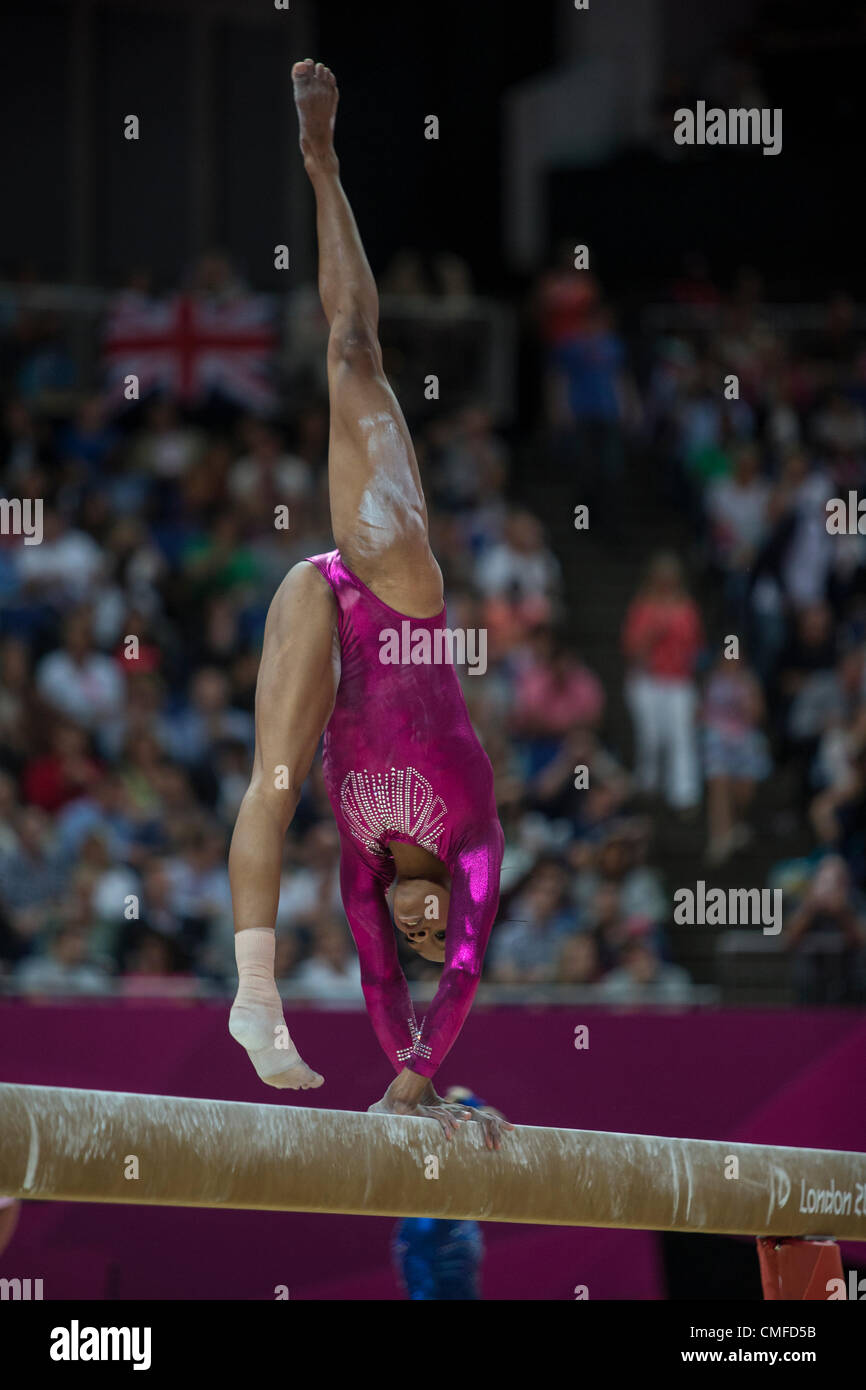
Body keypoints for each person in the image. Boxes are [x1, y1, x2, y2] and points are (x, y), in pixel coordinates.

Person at [227, 61, 511, 1149]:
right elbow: (469, 967)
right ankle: (321, 161)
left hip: (325, 607)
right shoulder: (474, 839)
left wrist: (400, 1066)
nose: (424, 920)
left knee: (275, 780)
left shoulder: (365, 877)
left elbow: (385, 986)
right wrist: (419, 1075)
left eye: (416, 931)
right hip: (395, 595)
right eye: (432, 922)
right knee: (352, 352)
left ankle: (253, 993)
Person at [391, 1087, 496, 1300]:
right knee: (426, 1291)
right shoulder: (427, 1127)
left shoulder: (473, 1127)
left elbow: (496, 1120)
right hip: (424, 1231)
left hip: (458, 1231)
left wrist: (474, 1111)